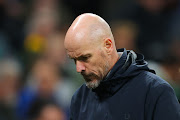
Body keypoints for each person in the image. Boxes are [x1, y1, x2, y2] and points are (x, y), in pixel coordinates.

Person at [64, 13, 180, 120]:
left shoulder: (155, 92)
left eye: (85, 58)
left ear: (108, 46)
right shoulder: (79, 99)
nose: (79, 68)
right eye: (74, 60)